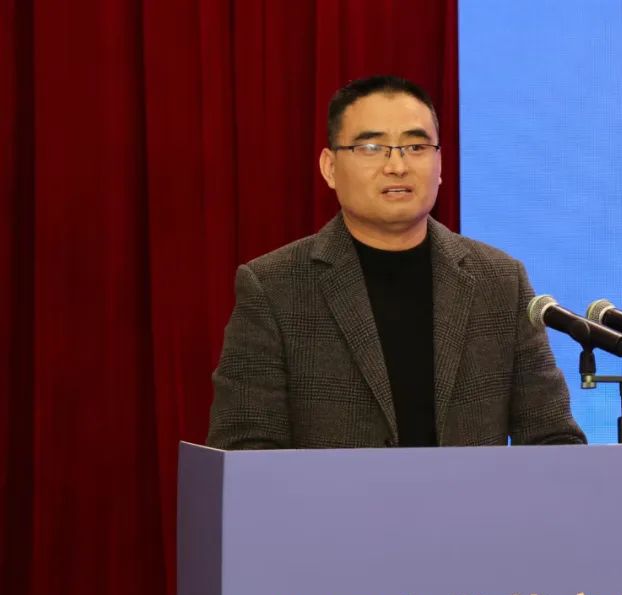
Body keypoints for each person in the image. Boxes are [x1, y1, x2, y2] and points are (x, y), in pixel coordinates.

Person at [207, 75, 585, 449]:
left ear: (440, 164)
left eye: (416, 147)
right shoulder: (274, 287)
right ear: (330, 167)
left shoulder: (501, 281)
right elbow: (245, 448)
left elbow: (553, 438)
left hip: (469, 494)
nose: (397, 166)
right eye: (372, 147)